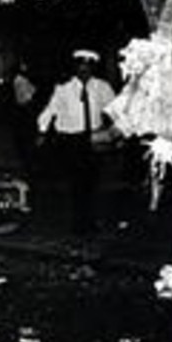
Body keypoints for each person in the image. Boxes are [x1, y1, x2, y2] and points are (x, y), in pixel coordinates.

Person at [36, 49, 117, 234]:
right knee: (77, 182)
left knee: (92, 181)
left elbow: (115, 109)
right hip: (71, 140)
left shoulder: (102, 87)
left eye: (88, 66)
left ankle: (89, 221)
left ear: (93, 68)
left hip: (94, 139)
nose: (84, 70)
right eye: (80, 66)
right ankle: (79, 223)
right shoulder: (63, 88)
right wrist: (41, 131)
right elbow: (50, 110)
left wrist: (115, 131)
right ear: (75, 67)